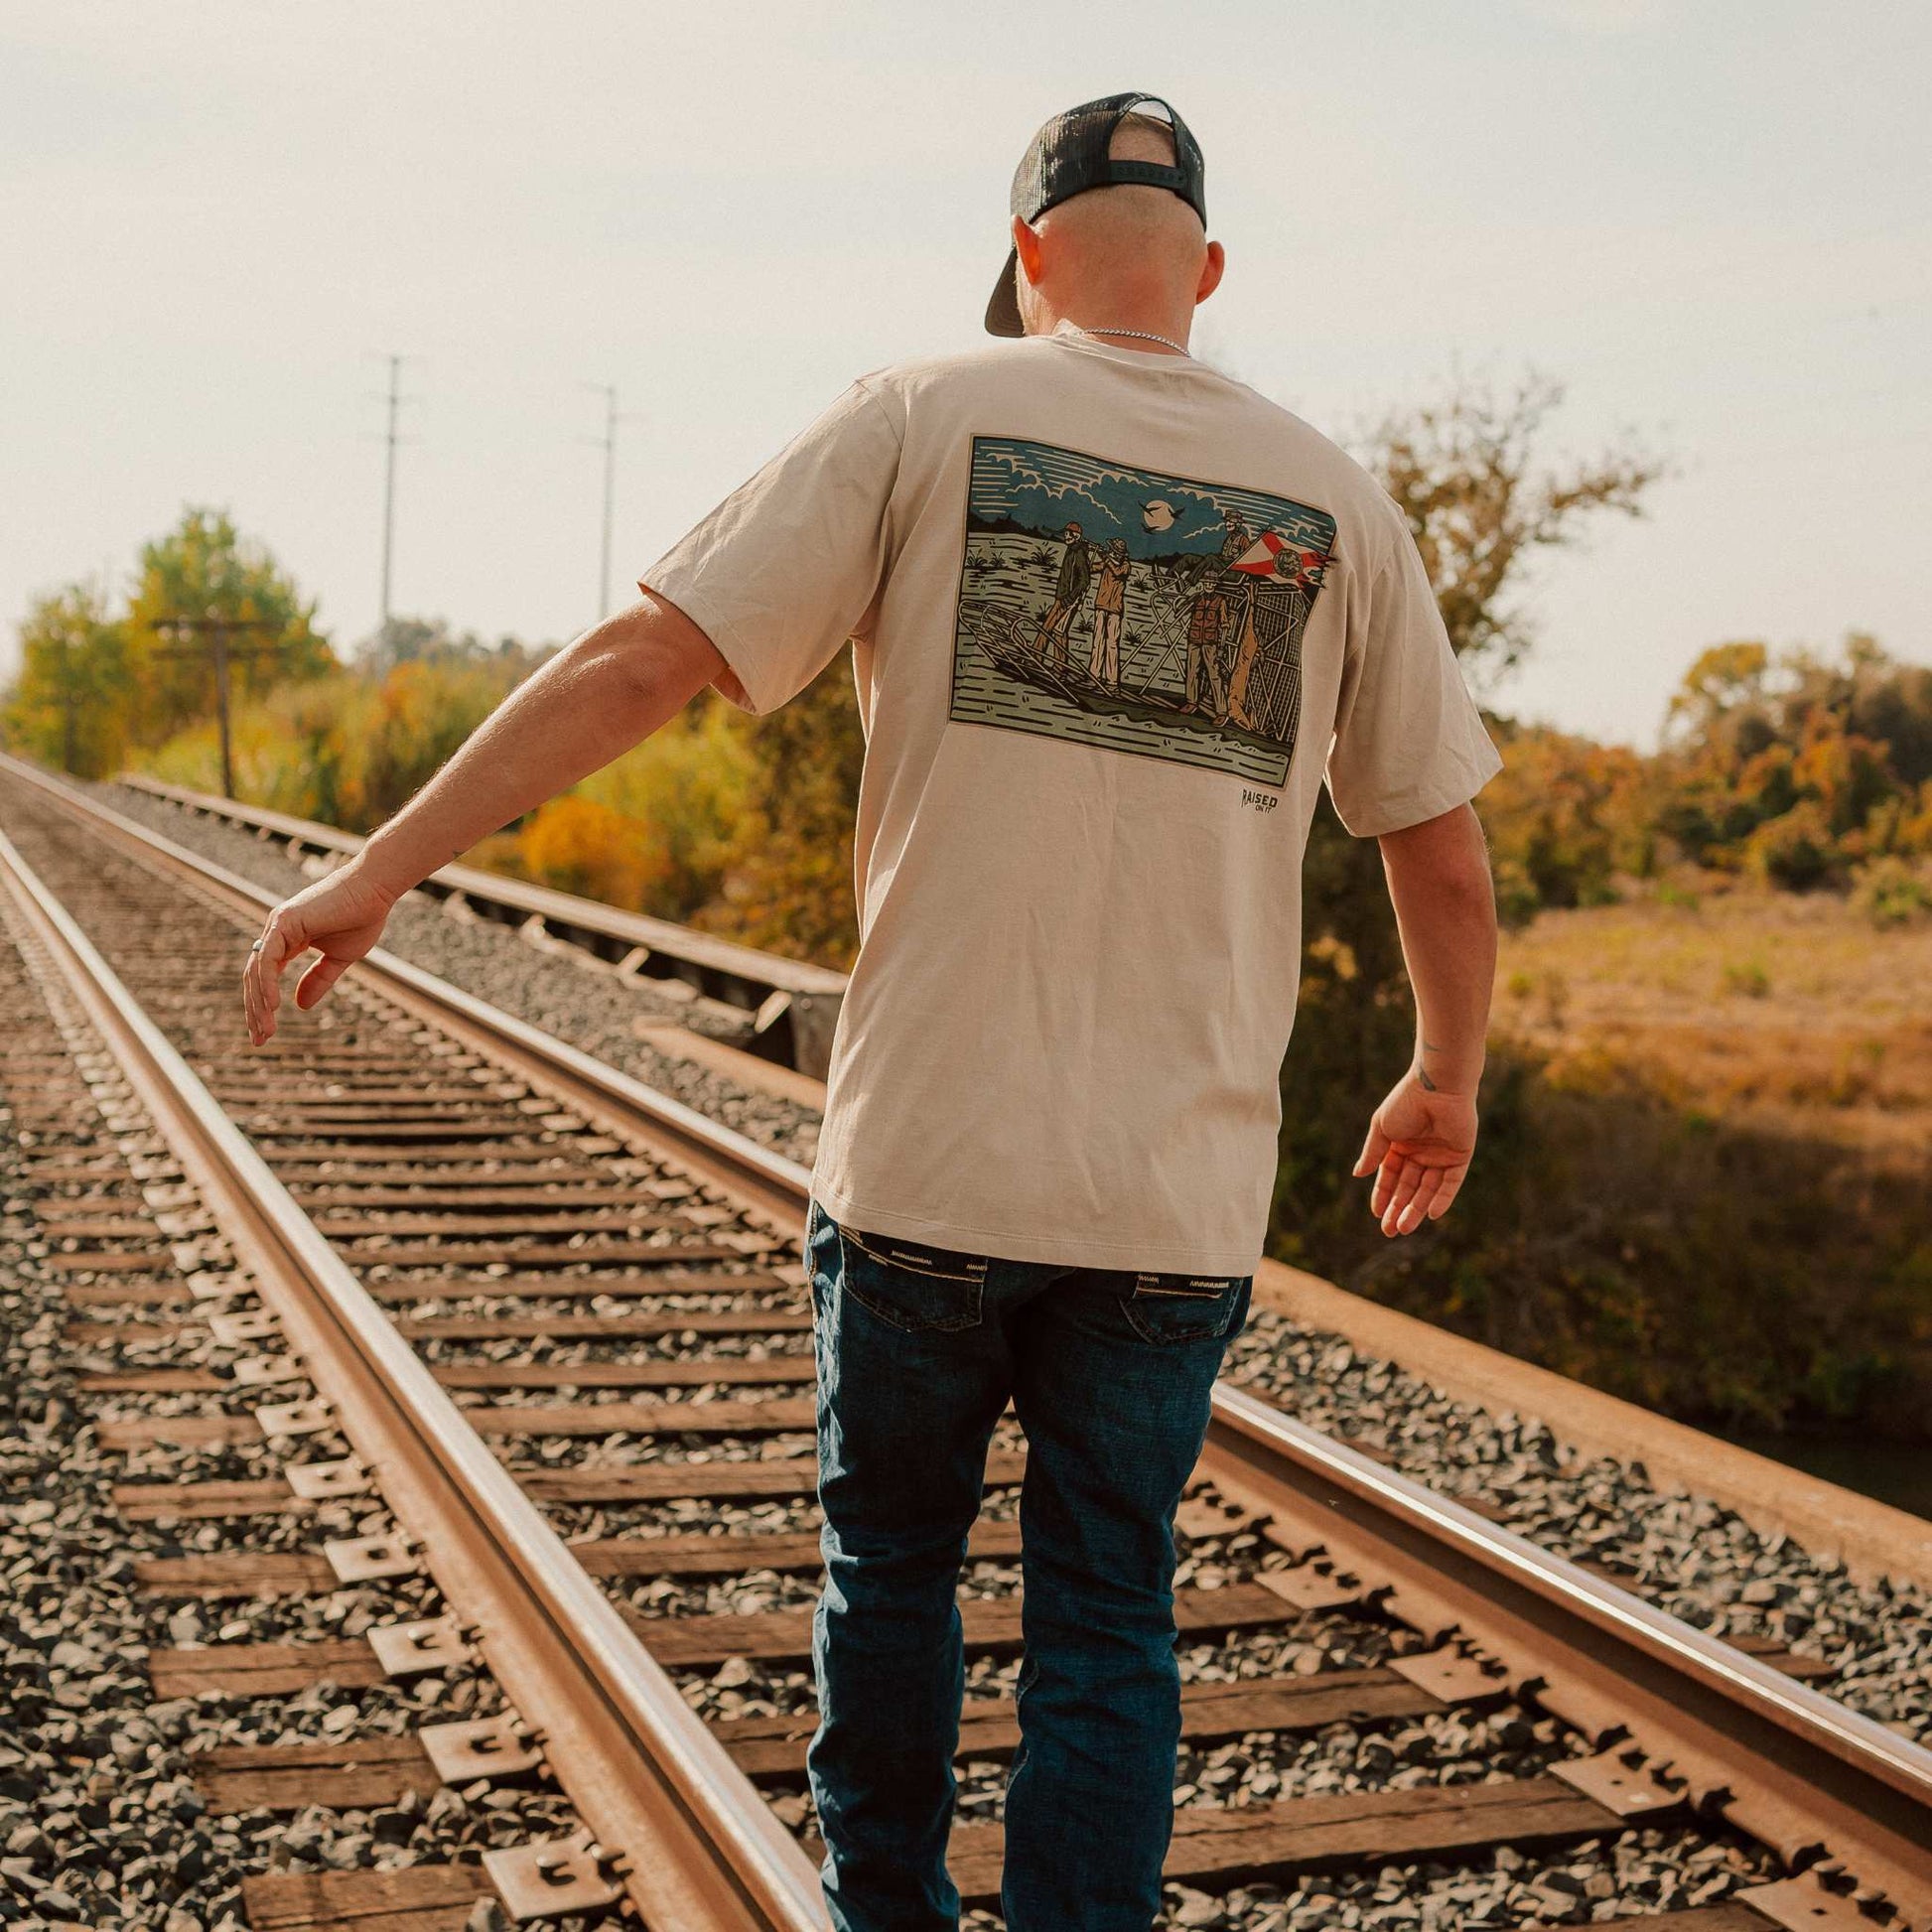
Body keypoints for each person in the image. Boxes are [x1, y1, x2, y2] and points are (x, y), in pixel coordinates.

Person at [239, 89, 1502, 1932]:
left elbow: (647, 659)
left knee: (891, 1568)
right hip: (1171, 1200)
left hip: (920, 1165)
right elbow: (1441, 854)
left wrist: (382, 867)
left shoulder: (922, 411)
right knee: (1107, 1611)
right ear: (1208, 271)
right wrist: (1441, 1074)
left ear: (1029, 257)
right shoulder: (1336, 498)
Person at [1033, 519, 1091, 667]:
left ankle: (1035, 657)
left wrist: (1070, 598)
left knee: (1048, 628)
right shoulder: (1072, 549)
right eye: (1065, 534)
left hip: (1067, 599)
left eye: (1068, 534)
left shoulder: (1079, 553)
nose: (1066, 537)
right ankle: (1060, 666)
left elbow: (1084, 581)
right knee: (1060, 631)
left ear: (1076, 536)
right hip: (1062, 597)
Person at [1088, 536, 1131, 685]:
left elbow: (1118, 572)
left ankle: (1112, 681)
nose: (1112, 553)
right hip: (1101, 605)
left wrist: (1107, 559)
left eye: (1114, 551)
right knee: (1097, 642)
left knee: (1112, 644)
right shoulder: (1108, 563)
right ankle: (1094, 676)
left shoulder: (1125, 565)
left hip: (1115, 609)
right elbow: (1092, 568)